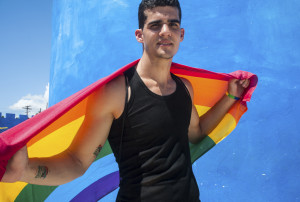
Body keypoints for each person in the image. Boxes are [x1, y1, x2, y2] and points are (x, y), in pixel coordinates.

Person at [2, 0, 249, 201]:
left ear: (181, 34)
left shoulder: (185, 88)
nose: (166, 31)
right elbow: (77, 161)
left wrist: (230, 98)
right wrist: (25, 171)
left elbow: (196, 134)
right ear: (139, 35)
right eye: (156, 25)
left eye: (173, 25)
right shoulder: (118, 92)